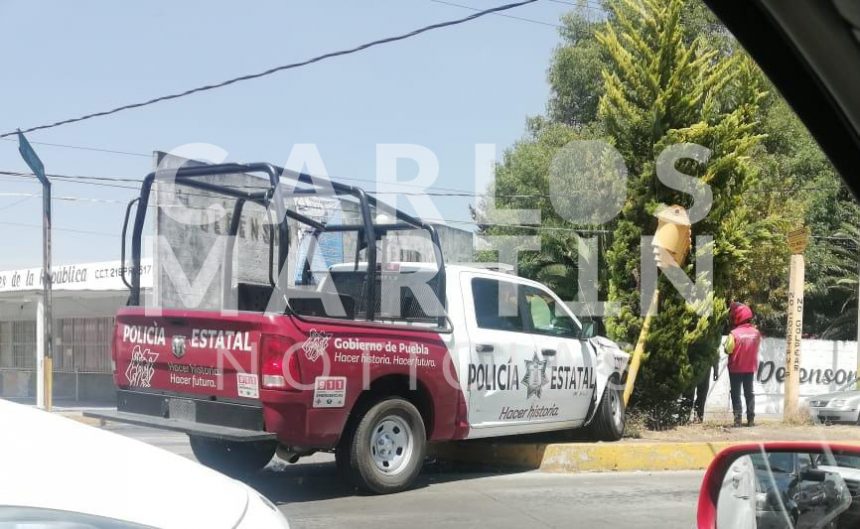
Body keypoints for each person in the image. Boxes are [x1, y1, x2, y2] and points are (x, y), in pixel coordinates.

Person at [725, 302, 762, 427]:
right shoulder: (756, 333)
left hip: (735, 368)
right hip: (750, 368)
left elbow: (728, 349)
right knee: (749, 392)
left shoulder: (733, 333)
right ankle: (751, 419)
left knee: (736, 393)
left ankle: (738, 420)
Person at [690, 355, 720, 423]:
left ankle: (697, 417)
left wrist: (716, 369)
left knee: (701, 394)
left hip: (704, 366)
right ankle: (686, 416)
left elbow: (714, 350)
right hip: (693, 365)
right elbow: (714, 351)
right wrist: (715, 369)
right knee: (691, 394)